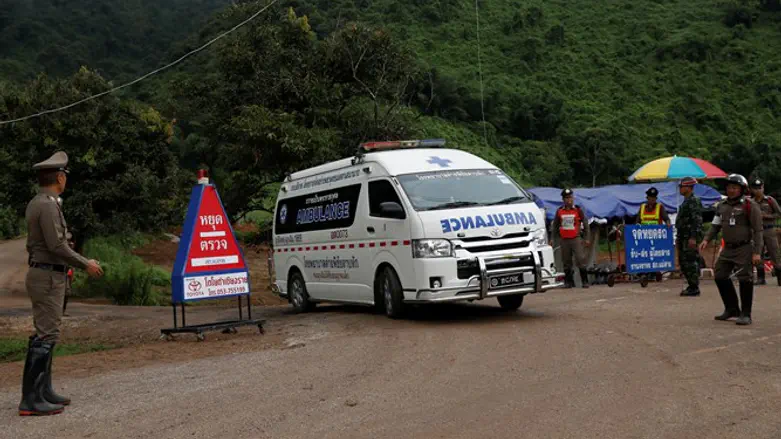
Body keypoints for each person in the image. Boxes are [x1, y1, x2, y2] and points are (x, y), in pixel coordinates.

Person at [19, 151, 104, 417]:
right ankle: (31, 400)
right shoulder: (46, 205)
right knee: (46, 335)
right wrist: (85, 263)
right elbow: (56, 245)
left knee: (47, 333)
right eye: (64, 175)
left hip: (48, 274)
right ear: (59, 177)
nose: (65, 179)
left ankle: (43, 391)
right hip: (46, 277)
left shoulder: (43, 201)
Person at [700, 174, 762, 326]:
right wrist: (706, 239)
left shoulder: (749, 205)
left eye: (734, 188)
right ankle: (731, 308)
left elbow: (758, 230)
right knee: (720, 275)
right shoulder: (722, 206)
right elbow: (715, 225)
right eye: (729, 187)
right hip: (727, 248)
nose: (731, 190)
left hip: (744, 247)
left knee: (745, 279)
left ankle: (746, 314)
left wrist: (757, 252)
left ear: (742, 189)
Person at [551, 188, 591, 289]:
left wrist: (586, 238)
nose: (569, 200)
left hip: (576, 238)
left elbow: (585, 223)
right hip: (564, 239)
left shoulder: (578, 210)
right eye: (567, 198)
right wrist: (552, 239)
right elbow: (555, 226)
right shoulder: (559, 211)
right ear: (563, 200)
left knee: (580, 259)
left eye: (571, 197)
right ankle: (569, 282)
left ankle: (585, 281)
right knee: (566, 262)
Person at [749, 178, 781, 286]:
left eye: (760, 188)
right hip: (757, 231)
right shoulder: (750, 202)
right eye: (755, 188)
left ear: (763, 188)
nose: (758, 191)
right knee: (758, 253)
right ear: (752, 189)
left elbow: (778, 213)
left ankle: (779, 277)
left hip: (769, 229)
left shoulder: (770, 200)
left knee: (774, 253)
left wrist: (766, 216)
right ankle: (761, 278)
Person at [676, 177, 703, 296]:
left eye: (681, 186)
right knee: (684, 261)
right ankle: (691, 285)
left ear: (688, 187)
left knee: (690, 261)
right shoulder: (686, 201)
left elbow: (696, 220)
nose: (680, 189)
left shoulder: (693, 201)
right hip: (683, 236)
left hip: (689, 237)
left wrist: (693, 237)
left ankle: (694, 286)